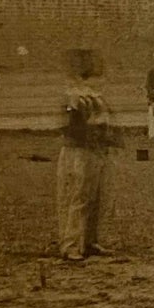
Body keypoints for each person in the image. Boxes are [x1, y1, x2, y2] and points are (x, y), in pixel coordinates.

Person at [58, 48, 116, 262]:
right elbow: (72, 127)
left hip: (96, 150)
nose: (101, 80)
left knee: (94, 198)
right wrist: (94, 127)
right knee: (79, 197)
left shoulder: (96, 97)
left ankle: (89, 241)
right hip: (79, 151)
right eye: (96, 76)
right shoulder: (74, 97)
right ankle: (70, 244)